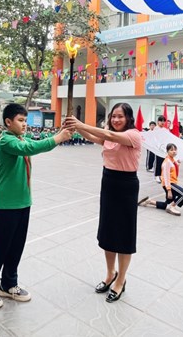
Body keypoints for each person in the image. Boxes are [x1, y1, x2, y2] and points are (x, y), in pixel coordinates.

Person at [0, 104, 72, 309]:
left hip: (23, 202)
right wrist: (59, 138)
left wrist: (60, 134)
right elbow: (29, 149)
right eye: (21, 120)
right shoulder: (6, 140)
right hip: (5, 205)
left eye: (25, 120)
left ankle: (8, 284)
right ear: (8, 122)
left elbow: (38, 145)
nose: (25, 124)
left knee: (16, 247)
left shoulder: (22, 139)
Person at [67, 103, 142, 303]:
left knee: (124, 235)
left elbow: (109, 136)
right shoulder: (110, 135)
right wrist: (76, 127)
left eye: (120, 116)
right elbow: (96, 137)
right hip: (108, 182)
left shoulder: (133, 135)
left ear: (129, 118)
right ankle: (110, 274)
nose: (116, 120)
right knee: (108, 232)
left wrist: (81, 123)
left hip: (126, 186)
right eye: (113, 116)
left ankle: (121, 280)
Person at [139, 143, 183, 215]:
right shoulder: (167, 162)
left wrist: (178, 164)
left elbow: (173, 170)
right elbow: (166, 176)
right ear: (167, 151)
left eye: (175, 150)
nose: (174, 151)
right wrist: (169, 190)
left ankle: (149, 201)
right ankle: (172, 207)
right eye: (171, 150)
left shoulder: (172, 160)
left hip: (171, 183)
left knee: (167, 204)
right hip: (169, 184)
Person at [153, 116, 167, 183]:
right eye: (161, 121)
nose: (162, 122)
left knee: (163, 162)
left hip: (164, 148)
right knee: (158, 162)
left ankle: (161, 175)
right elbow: (155, 139)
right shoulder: (156, 129)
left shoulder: (165, 130)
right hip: (158, 148)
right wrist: (158, 146)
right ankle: (156, 175)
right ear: (158, 121)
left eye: (164, 121)